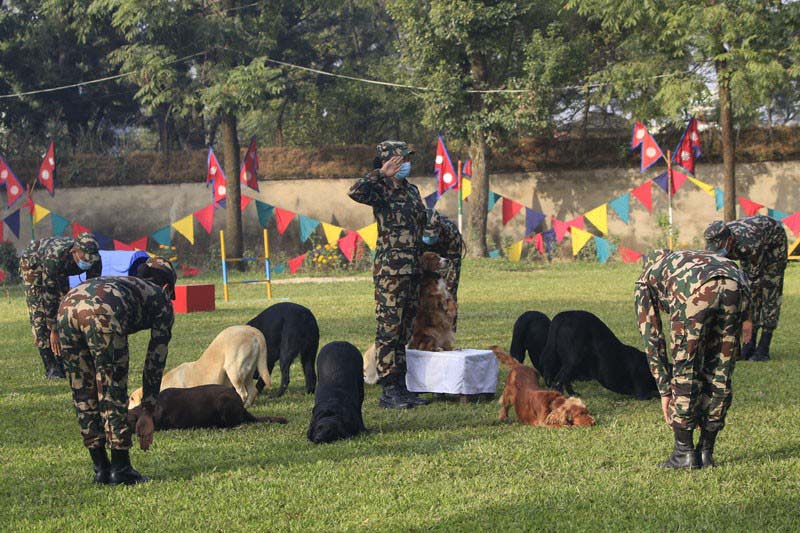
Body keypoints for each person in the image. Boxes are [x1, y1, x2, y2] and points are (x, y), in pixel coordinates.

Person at [56, 256, 176, 485]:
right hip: (104, 309)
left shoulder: (127, 283)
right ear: (167, 287)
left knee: (83, 390)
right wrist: (148, 411)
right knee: (112, 388)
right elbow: (155, 361)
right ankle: (121, 469)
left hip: (67, 306)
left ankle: (100, 468)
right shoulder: (161, 297)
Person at [635, 249, 751, 469]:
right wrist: (747, 317)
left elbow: (652, 338)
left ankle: (684, 453)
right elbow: (736, 274)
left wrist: (664, 390)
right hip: (736, 284)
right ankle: (706, 452)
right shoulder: (687, 259)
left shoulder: (645, 279)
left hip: (695, 291)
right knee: (721, 370)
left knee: (686, 370)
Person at [348, 140, 429, 409]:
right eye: (400, 159)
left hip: (414, 268)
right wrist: (381, 174)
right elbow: (354, 191)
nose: (405, 163)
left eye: (406, 159)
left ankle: (403, 386)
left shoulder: (412, 190)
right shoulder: (379, 189)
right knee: (389, 330)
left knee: (405, 329)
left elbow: (421, 224)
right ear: (386, 162)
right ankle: (388, 389)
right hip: (391, 271)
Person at [19, 233, 102, 379]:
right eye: (85, 258)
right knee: (39, 313)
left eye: (91, 259)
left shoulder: (94, 258)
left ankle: (66, 361)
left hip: (60, 268)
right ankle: (51, 366)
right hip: (34, 263)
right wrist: (53, 329)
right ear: (74, 251)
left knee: (66, 307)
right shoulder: (54, 258)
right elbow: (49, 296)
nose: (88, 262)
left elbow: (93, 290)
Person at [704, 216, 787, 361]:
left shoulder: (749, 244)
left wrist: (747, 320)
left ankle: (763, 349)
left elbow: (752, 286)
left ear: (729, 241)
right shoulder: (716, 240)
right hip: (754, 239)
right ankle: (749, 347)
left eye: (720, 247)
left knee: (769, 288)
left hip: (774, 242)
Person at [421, 209, 464, 329]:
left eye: (433, 234)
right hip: (422, 261)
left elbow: (453, 268)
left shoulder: (451, 233)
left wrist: (446, 291)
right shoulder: (412, 232)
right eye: (427, 234)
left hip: (445, 257)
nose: (430, 238)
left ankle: (448, 334)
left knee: (449, 297)